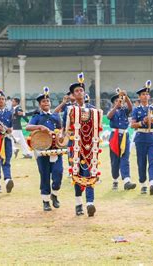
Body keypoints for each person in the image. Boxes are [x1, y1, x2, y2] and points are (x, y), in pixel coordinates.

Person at [64, 73, 103, 217]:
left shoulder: (93, 109)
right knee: (77, 173)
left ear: (84, 93)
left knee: (89, 172)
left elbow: (98, 126)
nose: (79, 92)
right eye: (76, 91)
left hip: (89, 147)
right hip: (74, 147)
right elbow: (66, 128)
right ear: (73, 95)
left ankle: (90, 203)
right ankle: (78, 203)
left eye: (81, 90)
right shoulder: (69, 110)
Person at [26, 87, 63, 211]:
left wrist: (60, 135)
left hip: (56, 149)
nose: (46, 103)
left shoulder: (55, 116)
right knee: (45, 175)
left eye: (48, 101)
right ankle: (46, 201)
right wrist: (40, 127)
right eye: (43, 101)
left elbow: (61, 129)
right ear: (40, 104)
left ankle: (55, 194)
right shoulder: (37, 116)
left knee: (58, 173)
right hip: (41, 150)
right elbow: (28, 127)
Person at [130, 80, 153, 195]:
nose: (145, 96)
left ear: (149, 96)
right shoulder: (136, 109)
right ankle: (143, 183)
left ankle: (152, 182)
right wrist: (143, 122)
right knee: (141, 162)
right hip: (141, 137)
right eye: (143, 94)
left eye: (147, 94)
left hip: (151, 137)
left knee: (152, 160)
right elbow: (132, 125)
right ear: (139, 97)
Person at [107, 90, 137, 191]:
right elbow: (108, 116)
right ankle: (115, 179)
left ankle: (127, 180)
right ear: (113, 103)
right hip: (115, 136)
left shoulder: (125, 110)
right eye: (116, 101)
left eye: (120, 100)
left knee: (125, 158)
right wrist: (116, 106)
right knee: (115, 159)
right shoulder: (112, 110)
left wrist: (126, 97)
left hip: (124, 135)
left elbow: (131, 107)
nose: (119, 102)